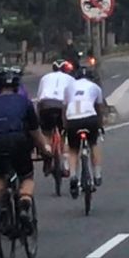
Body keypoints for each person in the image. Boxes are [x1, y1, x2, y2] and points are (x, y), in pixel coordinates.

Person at [0, 68, 50, 232]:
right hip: (18, 140)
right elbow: (35, 131)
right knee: (26, 176)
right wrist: (45, 148)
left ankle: (2, 208)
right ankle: (25, 204)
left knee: (0, 175)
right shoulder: (24, 102)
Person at [64, 65, 107, 198]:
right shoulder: (95, 88)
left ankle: (72, 176)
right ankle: (97, 174)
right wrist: (99, 125)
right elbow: (99, 109)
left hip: (72, 119)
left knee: (73, 150)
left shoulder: (69, 87)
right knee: (93, 143)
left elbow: (64, 108)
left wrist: (65, 126)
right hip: (90, 118)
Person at [35, 60, 76, 176]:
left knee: (46, 132)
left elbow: (39, 98)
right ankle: (66, 163)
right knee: (64, 133)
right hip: (62, 106)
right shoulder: (71, 79)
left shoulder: (45, 77)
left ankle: (47, 153)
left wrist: (38, 116)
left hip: (46, 105)